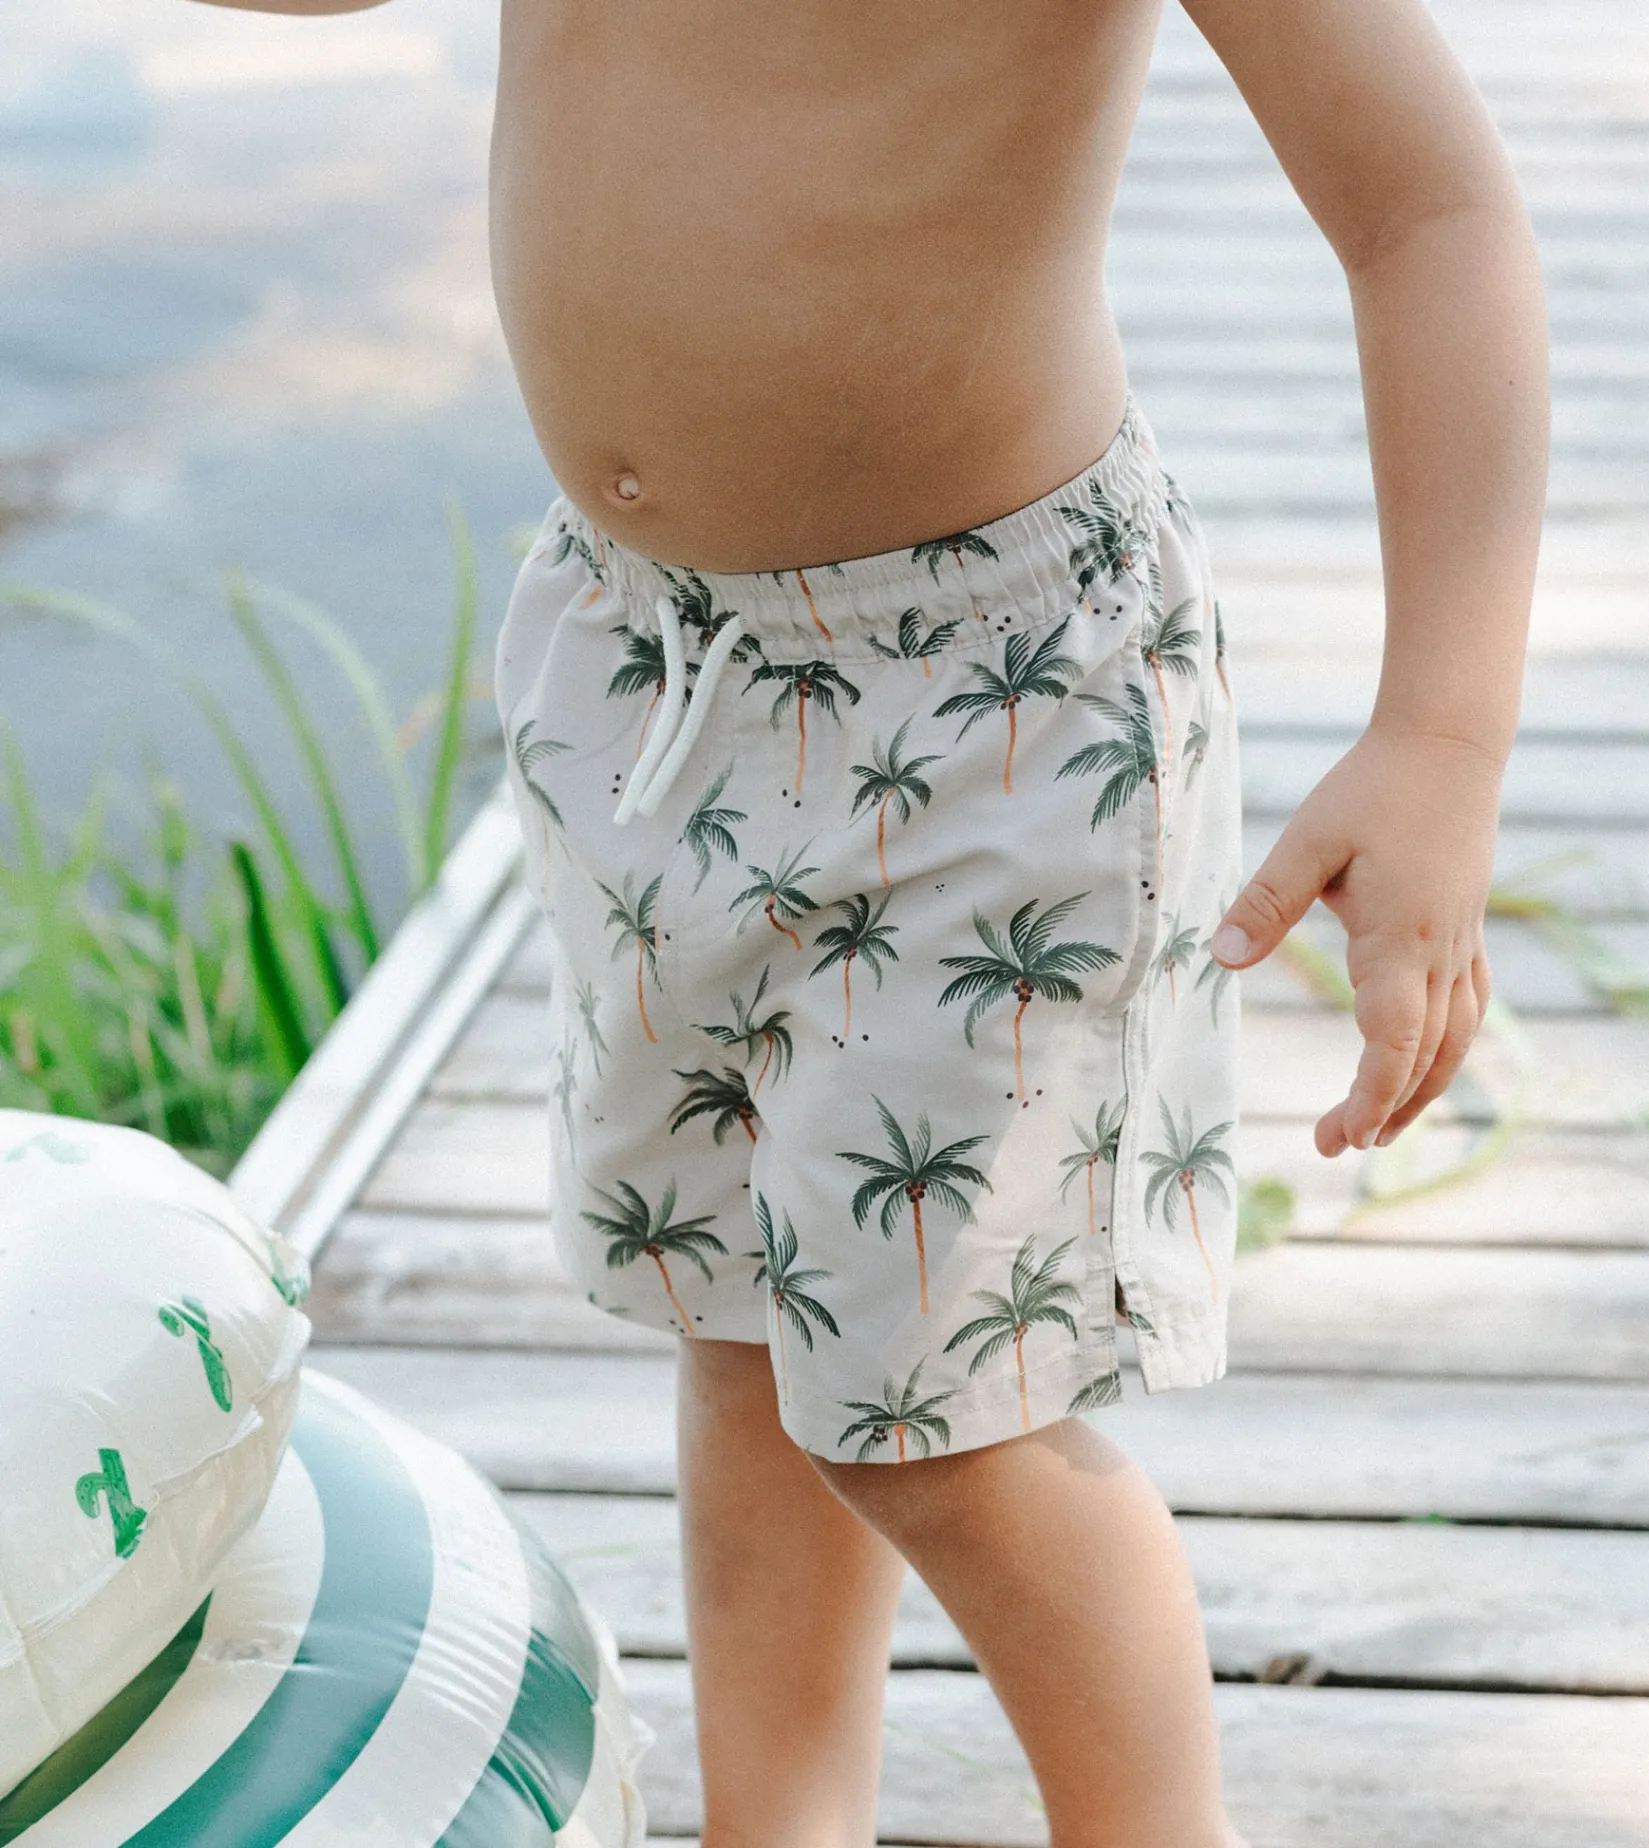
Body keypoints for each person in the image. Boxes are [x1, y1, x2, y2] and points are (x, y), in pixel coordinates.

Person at [199, 0, 1547, 1841]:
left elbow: (1430, 212)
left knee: (947, 1427)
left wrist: (1441, 740)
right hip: (650, 664)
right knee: (746, 1308)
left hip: (990, 709)